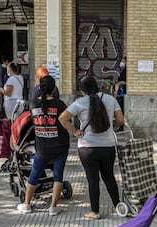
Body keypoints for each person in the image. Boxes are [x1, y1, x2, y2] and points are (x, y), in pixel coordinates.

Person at [59, 75, 124, 219]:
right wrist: (112, 127)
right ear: (97, 85)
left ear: (82, 90)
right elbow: (120, 120)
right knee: (109, 177)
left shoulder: (79, 103)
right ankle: (119, 206)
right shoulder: (110, 99)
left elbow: (62, 118)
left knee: (92, 179)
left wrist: (75, 131)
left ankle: (94, 211)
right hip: (108, 147)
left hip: (87, 148)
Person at [16, 75, 70, 215]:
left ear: (39, 88)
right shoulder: (60, 105)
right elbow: (67, 121)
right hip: (60, 145)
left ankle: (27, 204)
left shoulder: (33, 104)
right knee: (58, 175)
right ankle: (53, 207)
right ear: (54, 88)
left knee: (34, 174)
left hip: (42, 147)